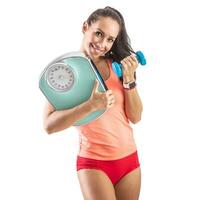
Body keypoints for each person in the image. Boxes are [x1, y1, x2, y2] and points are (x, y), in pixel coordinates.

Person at [43, 6, 143, 200]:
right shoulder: (64, 71)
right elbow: (48, 125)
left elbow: (136, 117)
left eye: (110, 39)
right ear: (85, 27)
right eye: (98, 33)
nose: (102, 44)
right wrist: (90, 106)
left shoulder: (117, 66)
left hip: (129, 160)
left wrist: (129, 81)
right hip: (94, 163)